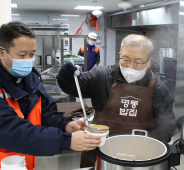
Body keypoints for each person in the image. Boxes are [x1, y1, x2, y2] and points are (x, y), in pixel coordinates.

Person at [57, 34, 176, 168]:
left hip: (140, 158)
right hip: (99, 153)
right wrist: (65, 77)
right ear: (120, 54)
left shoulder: (159, 89)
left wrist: (143, 144)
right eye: (125, 59)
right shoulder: (100, 76)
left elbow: (167, 126)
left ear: (149, 62)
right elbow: (74, 86)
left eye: (138, 62)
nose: (131, 66)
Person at [0, 21, 101, 170]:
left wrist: (65, 125)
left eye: (32, 54)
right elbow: (10, 130)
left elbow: (46, 113)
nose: (28, 59)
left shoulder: (32, 80)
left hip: (24, 163)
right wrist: (65, 140)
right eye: (22, 55)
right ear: (2, 52)